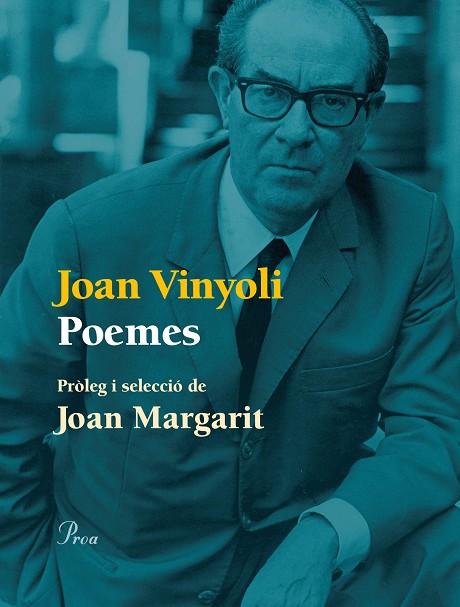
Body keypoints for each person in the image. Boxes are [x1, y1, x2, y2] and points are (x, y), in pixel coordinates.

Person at [1, 0, 459, 606]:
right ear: (222, 94)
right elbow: (8, 423)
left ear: (368, 115)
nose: (296, 132)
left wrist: (323, 536)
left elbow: (431, 427)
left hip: (302, 579)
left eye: (331, 101)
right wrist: (31, 592)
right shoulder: (90, 233)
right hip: (123, 581)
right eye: (268, 93)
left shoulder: (412, 231)